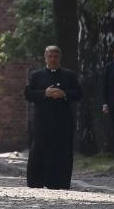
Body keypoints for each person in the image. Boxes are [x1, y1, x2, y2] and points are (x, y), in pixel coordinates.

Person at [25, 45, 82, 189]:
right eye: (50, 56)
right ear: (45, 58)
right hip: (42, 119)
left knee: (61, 151)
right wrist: (45, 93)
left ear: (59, 58)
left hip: (62, 120)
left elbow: (78, 94)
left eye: (55, 56)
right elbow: (28, 94)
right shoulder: (36, 75)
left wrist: (65, 94)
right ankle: (36, 181)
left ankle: (59, 182)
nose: (53, 59)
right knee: (39, 149)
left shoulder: (69, 75)